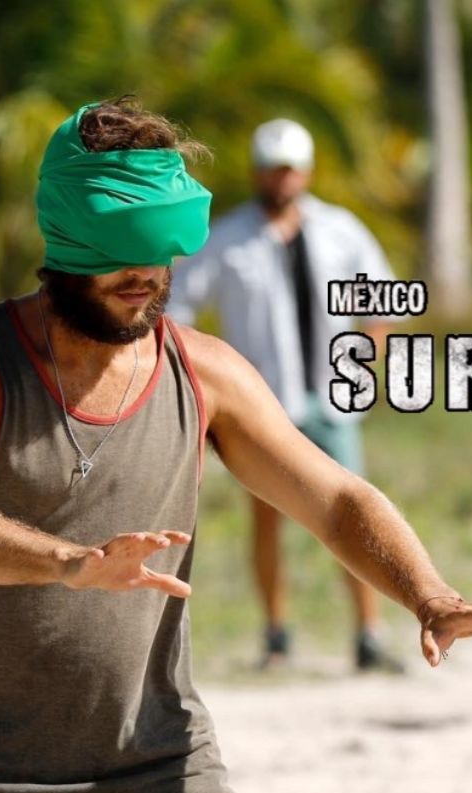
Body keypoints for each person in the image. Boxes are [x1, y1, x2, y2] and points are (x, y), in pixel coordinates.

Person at [0, 97, 472, 793]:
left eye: (160, 251)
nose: (144, 275)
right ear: (66, 236)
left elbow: (335, 500)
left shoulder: (205, 372)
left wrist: (430, 594)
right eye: (119, 253)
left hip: (161, 769)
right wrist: (68, 562)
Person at [170, 117, 406, 672]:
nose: (282, 180)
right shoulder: (226, 239)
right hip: (262, 407)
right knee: (267, 517)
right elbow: (177, 308)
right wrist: (209, 381)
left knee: (355, 513)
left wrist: (365, 368)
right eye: (272, 171)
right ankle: (276, 637)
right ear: (257, 173)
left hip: (331, 399)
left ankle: (368, 635)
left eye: (290, 170)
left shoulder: (342, 230)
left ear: (307, 172)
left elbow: (382, 303)